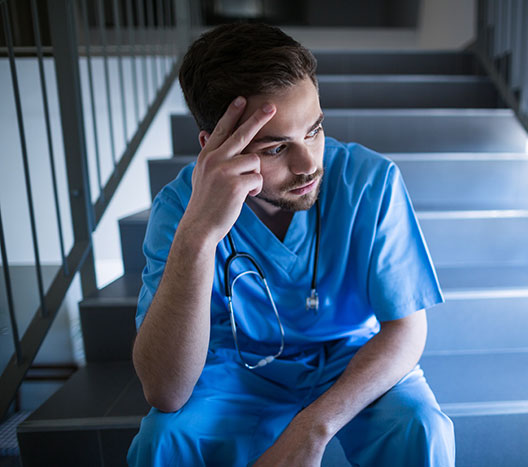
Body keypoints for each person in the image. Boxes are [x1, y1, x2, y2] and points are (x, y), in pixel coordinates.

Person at [127, 22, 455, 466]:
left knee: (421, 426)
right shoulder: (178, 208)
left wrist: (313, 427)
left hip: (350, 355)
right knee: (163, 439)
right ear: (215, 147)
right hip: (237, 367)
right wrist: (198, 238)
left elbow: (406, 329)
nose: (308, 165)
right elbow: (165, 391)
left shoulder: (370, 181)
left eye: (314, 130)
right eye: (277, 148)